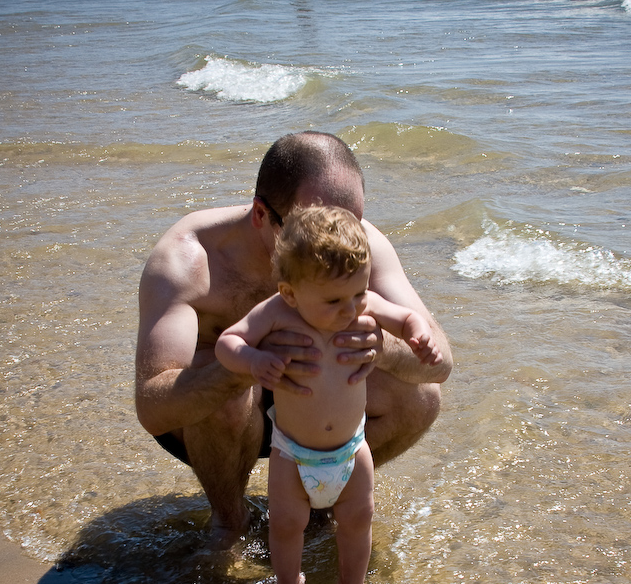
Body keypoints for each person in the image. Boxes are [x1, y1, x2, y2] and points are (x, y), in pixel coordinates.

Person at [135, 131, 452, 549]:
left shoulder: (353, 245)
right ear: (261, 215)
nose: (333, 245)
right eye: (309, 227)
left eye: (349, 226)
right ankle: (230, 522)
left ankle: (316, 509)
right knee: (228, 397)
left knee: (421, 397)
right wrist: (242, 367)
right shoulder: (188, 259)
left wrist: (383, 348)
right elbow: (153, 408)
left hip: (313, 405)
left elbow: (440, 363)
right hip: (213, 420)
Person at [215, 205, 442, 584]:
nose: (351, 308)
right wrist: (251, 360)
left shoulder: (364, 305)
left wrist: (418, 335)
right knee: (286, 524)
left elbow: (407, 317)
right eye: (335, 299)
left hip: (352, 451)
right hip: (292, 454)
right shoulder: (276, 313)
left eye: (358, 293)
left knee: (359, 520)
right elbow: (227, 342)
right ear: (291, 293)